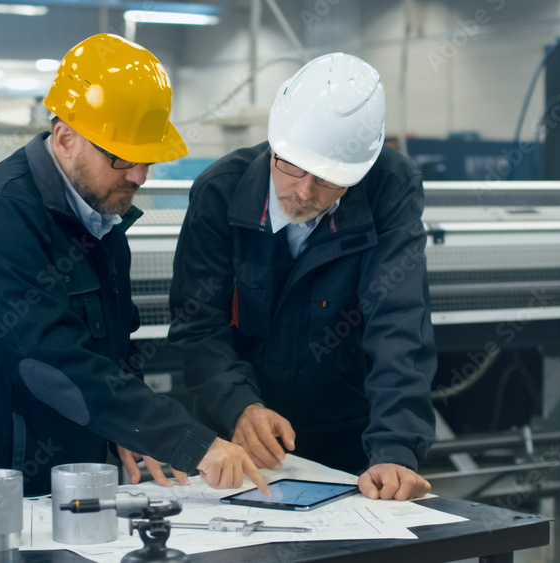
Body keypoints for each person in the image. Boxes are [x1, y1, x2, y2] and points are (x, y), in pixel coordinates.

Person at [0, 34, 267, 508]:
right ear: (66, 138)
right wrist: (186, 439)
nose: (139, 175)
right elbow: (49, 359)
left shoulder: (99, 216)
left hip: (68, 489)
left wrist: (129, 430)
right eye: (122, 157)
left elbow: (112, 353)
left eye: (147, 158)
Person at [168, 53, 436, 501]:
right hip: (237, 450)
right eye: (291, 166)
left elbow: (399, 323)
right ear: (275, 143)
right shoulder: (220, 192)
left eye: (329, 178)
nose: (305, 191)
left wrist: (395, 448)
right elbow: (198, 329)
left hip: (349, 448)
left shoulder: (388, 186)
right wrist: (240, 405)